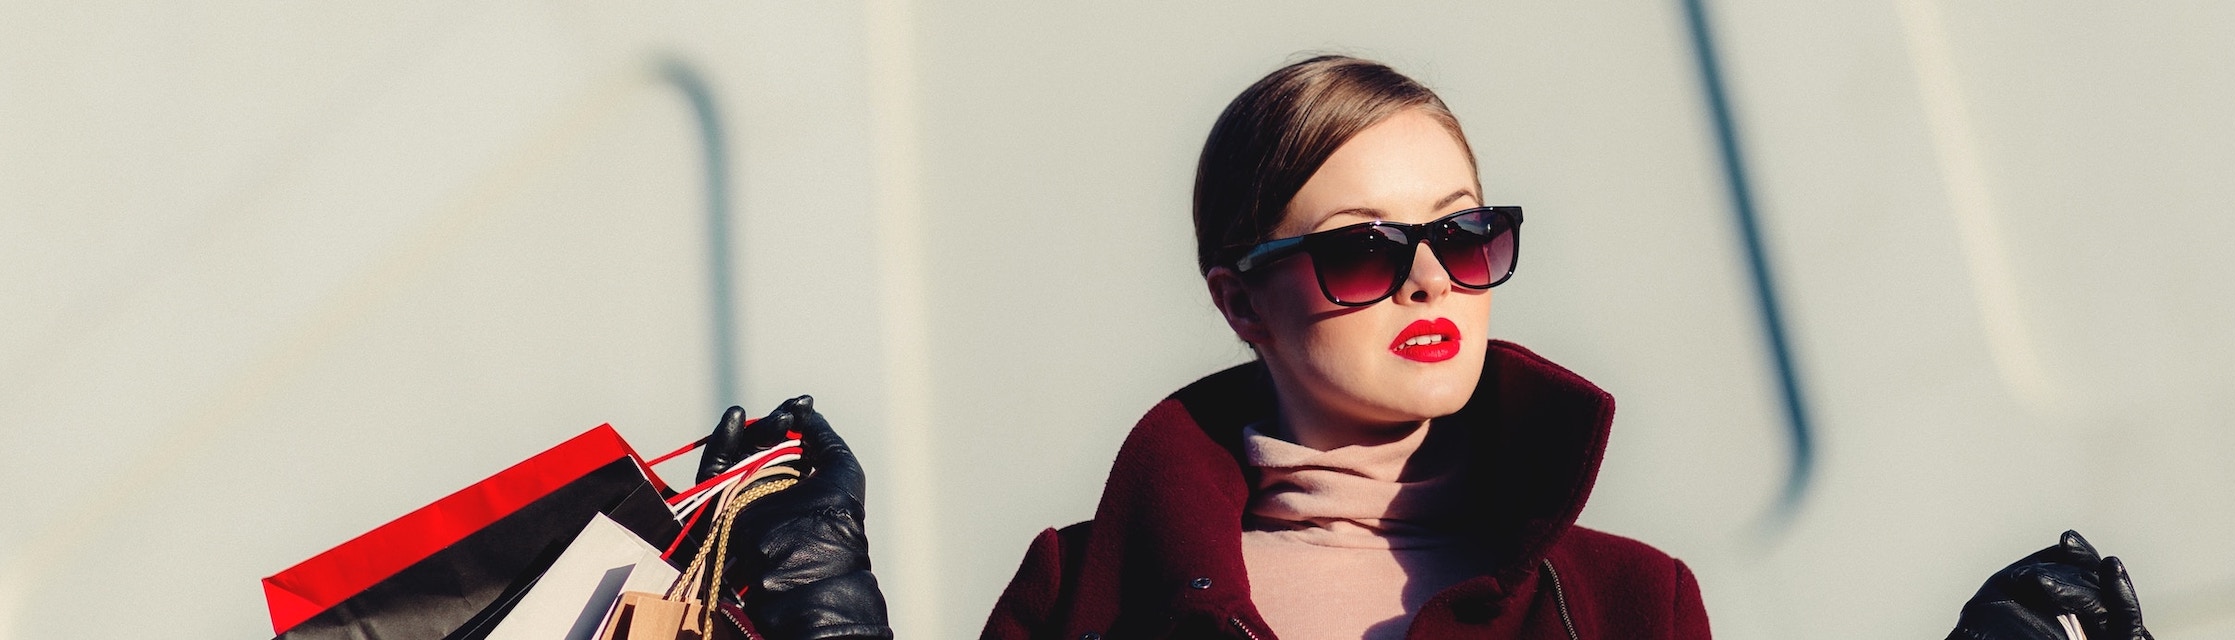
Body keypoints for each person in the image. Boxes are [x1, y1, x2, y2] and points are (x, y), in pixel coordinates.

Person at [695, 56, 2156, 640]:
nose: (1423, 283)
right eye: (1353, 250)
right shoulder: (1085, 586)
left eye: (1461, 234)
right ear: (1237, 300)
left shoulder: (1629, 601)